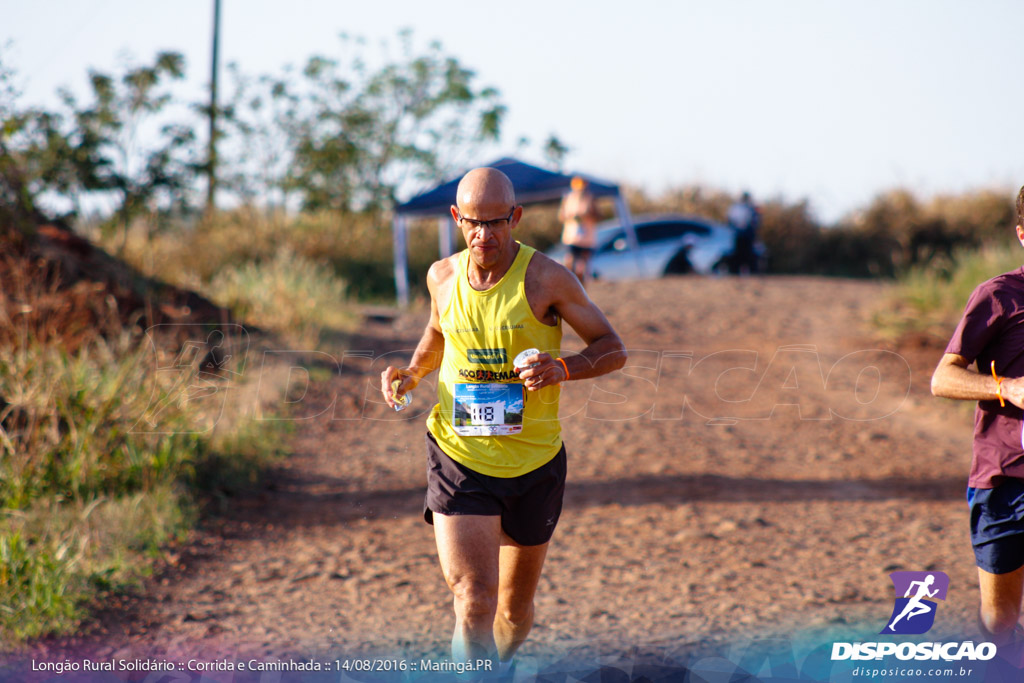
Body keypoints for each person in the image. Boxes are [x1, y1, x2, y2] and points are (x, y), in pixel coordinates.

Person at [380, 167, 627, 669]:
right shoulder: (441, 276)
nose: (483, 235)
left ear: (516, 217)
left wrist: (562, 367)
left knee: (512, 615)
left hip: (533, 464)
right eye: (472, 223)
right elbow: (437, 332)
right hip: (459, 457)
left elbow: (612, 349)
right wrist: (411, 372)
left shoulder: (548, 278)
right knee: (473, 601)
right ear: (456, 217)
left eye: (496, 223)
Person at [932, 185, 1024, 650]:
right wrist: (1003, 387)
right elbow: (942, 379)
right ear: (1022, 234)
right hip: (1006, 478)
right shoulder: (999, 296)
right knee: (999, 618)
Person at [558, 176, 601, 284]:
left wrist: (586, 215)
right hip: (571, 238)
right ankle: (571, 287)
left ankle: (581, 289)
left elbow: (599, 216)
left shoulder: (590, 198)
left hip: (586, 239)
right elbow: (561, 216)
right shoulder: (568, 199)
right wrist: (571, 217)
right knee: (569, 264)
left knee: (581, 268)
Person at [726, 191, 761, 274]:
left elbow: (755, 222)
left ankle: (749, 271)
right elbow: (730, 220)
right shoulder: (736, 208)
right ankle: (735, 271)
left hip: (746, 234)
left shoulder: (751, 208)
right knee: (738, 253)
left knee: (748, 253)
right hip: (738, 234)